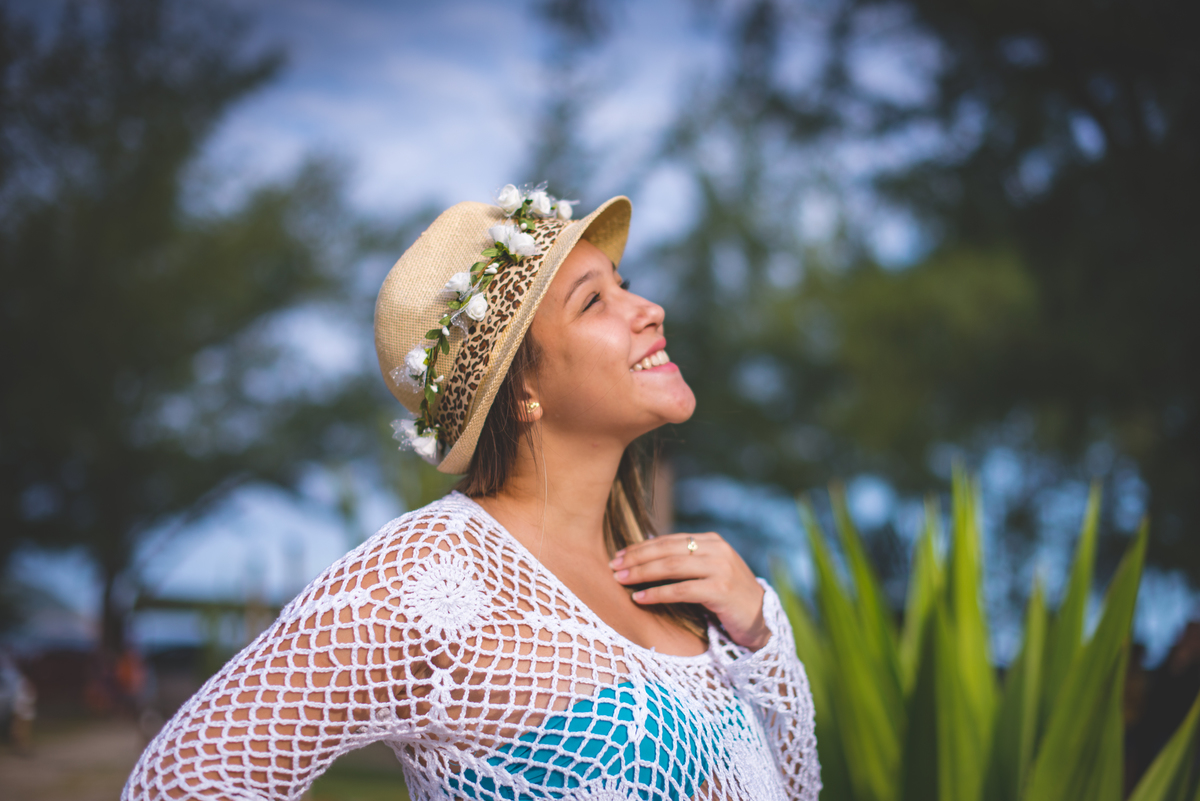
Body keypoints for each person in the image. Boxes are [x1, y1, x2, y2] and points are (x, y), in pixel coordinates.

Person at [122, 185, 821, 800]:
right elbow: (181, 782)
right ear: (522, 392)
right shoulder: (431, 575)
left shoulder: (673, 579)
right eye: (593, 301)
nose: (649, 308)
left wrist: (759, 636)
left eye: (623, 282)